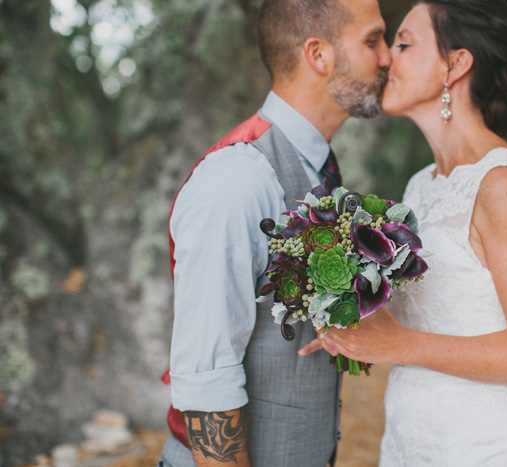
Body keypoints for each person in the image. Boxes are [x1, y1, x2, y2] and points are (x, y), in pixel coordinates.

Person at [300, 0, 507, 465]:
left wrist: (400, 345)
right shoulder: (421, 185)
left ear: (456, 64)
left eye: (403, 43)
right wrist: (351, 315)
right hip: (412, 436)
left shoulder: (500, 183)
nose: (385, 58)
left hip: (482, 446)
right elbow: (426, 317)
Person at [158, 0, 391, 466]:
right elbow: (207, 377)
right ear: (318, 55)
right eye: (373, 40)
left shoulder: (317, 167)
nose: (387, 57)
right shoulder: (239, 177)